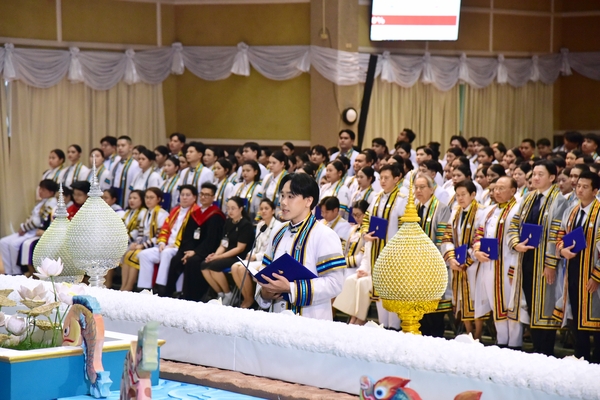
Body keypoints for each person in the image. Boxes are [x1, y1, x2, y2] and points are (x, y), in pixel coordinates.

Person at [255, 173, 346, 320]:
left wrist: (291, 288)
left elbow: (334, 283)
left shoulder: (325, 235)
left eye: (290, 196)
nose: (283, 202)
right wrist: (264, 293)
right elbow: (265, 270)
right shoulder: (278, 231)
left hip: (311, 321)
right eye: (282, 195)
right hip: (276, 320)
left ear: (308, 200)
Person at [507, 160, 567, 356]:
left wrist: (551, 264)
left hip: (546, 261)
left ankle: (545, 351)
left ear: (552, 177)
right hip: (526, 257)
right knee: (530, 304)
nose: (535, 178)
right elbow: (514, 224)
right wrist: (516, 243)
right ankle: (535, 349)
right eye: (534, 174)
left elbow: (557, 233)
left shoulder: (559, 200)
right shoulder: (528, 197)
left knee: (546, 306)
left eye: (541, 174)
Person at [553, 171, 600, 362]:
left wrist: (596, 276)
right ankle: (581, 358)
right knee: (576, 317)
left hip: (593, 273)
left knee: (596, 319)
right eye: (578, 186)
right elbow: (559, 236)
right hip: (572, 271)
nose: (579, 190)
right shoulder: (571, 211)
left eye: (585, 187)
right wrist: (562, 249)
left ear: (595, 191)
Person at [472, 176, 523, 349]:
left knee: (511, 305)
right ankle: (501, 341)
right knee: (496, 304)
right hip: (490, 265)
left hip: (510, 264)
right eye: (495, 189)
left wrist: (514, 268)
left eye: (502, 188)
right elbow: (479, 233)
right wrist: (477, 251)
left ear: (513, 191)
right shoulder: (490, 210)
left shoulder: (518, 209)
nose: (497, 192)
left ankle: (514, 344)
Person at [358, 164, 407, 329]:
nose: (383, 181)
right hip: (376, 251)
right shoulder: (377, 197)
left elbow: (406, 227)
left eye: (387, 178)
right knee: (379, 291)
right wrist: (365, 233)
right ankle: (383, 325)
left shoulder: (402, 199)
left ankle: (394, 327)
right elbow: (366, 219)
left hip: (394, 254)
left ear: (396, 178)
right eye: (381, 178)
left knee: (392, 291)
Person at [165, 183, 226, 301]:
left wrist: (195, 252)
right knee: (176, 259)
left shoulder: (216, 215)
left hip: (205, 250)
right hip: (191, 249)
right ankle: (168, 293)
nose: (203, 197)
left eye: (207, 195)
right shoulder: (195, 214)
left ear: (213, 197)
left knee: (193, 262)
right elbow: (187, 236)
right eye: (202, 194)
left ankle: (192, 297)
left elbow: (212, 239)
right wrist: (187, 251)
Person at [441, 180, 485, 339]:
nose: (460, 198)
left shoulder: (482, 212)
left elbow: (481, 236)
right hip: (458, 262)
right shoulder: (455, 212)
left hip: (475, 263)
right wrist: (451, 258)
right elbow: (447, 236)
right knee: (461, 297)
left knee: (476, 298)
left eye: (463, 194)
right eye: (457, 195)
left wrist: (468, 258)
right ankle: (468, 331)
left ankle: (478, 334)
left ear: (473, 195)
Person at [414, 174, 452, 337]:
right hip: (416, 264)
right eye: (416, 187)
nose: (418, 190)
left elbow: (442, 237)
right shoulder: (414, 208)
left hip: (434, 264)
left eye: (422, 187)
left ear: (432, 189)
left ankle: (436, 337)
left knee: (434, 309)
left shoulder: (442, 208)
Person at [200, 196, 255, 305]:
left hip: (239, 256)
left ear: (241, 208)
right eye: (228, 208)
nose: (230, 211)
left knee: (214, 266)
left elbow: (240, 248)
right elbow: (223, 244)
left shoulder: (246, 225)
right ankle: (220, 293)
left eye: (233, 208)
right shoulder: (228, 222)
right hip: (226, 254)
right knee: (204, 265)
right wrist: (214, 255)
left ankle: (228, 294)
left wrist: (218, 257)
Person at [231, 199, 284, 308]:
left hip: (267, 259)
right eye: (261, 209)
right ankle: (246, 297)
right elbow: (257, 244)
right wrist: (251, 253)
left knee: (242, 269)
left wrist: (256, 256)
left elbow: (273, 250)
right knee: (234, 267)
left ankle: (249, 300)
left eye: (266, 208)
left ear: (273, 210)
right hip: (256, 257)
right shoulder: (260, 225)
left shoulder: (278, 226)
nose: (263, 211)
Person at [0, 179, 58, 275]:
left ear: (51, 192)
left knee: (14, 244)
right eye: (40, 189)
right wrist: (24, 227)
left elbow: (38, 221)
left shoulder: (51, 203)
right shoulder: (41, 202)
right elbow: (31, 218)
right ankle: (8, 271)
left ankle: (17, 272)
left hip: (35, 231)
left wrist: (24, 228)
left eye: (43, 190)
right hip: (28, 230)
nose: (40, 191)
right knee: (3, 242)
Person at [120, 188, 169, 292]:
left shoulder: (163, 214)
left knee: (132, 256)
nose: (148, 200)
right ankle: (123, 286)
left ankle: (129, 287)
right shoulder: (145, 213)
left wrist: (142, 245)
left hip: (155, 246)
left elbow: (159, 236)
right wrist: (136, 243)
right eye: (146, 197)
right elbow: (141, 233)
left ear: (158, 199)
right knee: (128, 253)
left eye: (151, 198)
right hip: (144, 244)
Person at [332, 200, 369, 325]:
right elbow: (343, 247)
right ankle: (331, 314)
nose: (356, 218)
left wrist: (342, 262)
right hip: (346, 264)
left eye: (359, 215)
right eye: (354, 215)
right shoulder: (353, 229)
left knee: (343, 278)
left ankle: (348, 315)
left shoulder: (367, 231)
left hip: (356, 266)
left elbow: (361, 258)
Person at [111, 135, 141, 208]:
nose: (120, 148)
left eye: (123, 145)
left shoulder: (135, 165)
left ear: (130, 147)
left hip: (127, 200)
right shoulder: (115, 163)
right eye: (118, 146)